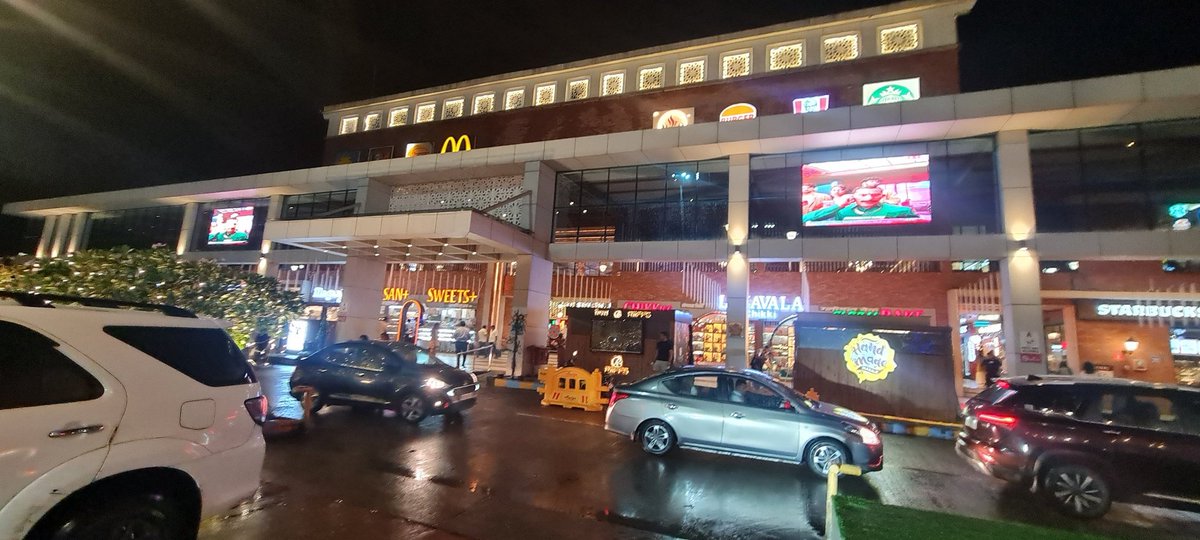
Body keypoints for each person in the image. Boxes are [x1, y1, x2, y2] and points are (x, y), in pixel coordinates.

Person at [802, 177, 919, 223]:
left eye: (874, 195)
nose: (869, 198)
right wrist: (838, 206)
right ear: (854, 197)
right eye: (863, 195)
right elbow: (806, 219)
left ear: (881, 196)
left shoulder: (903, 211)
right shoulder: (840, 212)